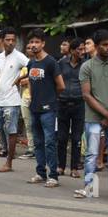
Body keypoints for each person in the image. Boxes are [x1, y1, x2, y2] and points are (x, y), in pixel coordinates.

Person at [75, 29, 108, 200]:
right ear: (96, 46)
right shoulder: (87, 66)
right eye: (105, 45)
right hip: (94, 117)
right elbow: (86, 95)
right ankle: (89, 187)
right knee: (91, 154)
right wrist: (107, 115)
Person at [21, 30, 64, 188]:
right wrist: (33, 98)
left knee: (50, 142)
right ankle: (40, 173)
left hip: (48, 110)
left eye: (36, 42)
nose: (33, 45)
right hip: (34, 108)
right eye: (31, 42)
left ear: (43, 43)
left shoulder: (51, 62)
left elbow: (61, 85)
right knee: (38, 142)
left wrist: (50, 98)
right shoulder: (31, 63)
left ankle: (53, 176)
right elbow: (31, 82)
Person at [0, 28, 27, 174]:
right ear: (2, 40)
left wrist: (20, 79)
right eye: (8, 39)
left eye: (13, 40)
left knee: (11, 132)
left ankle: (9, 163)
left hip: (12, 102)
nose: (11, 42)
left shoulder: (19, 56)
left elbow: (32, 67)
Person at [57, 38, 86, 178]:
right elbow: (55, 80)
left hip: (79, 104)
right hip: (62, 104)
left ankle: (74, 168)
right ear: (72, 51)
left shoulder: (86, 65)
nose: (82, 52)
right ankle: (60, 166)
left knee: (76, 138)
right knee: (62, 137)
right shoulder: (61, 63)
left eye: (83, 49)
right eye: (79, 49)